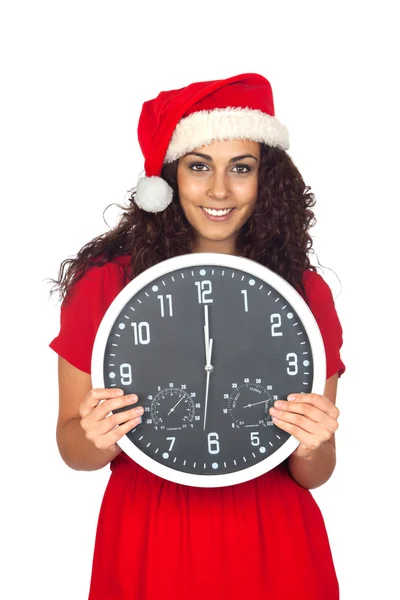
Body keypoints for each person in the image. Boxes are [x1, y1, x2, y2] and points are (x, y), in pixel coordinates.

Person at [49, 73, 345, 600]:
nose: (219, 190)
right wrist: (95, 437)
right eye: (199, 166)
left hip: (271, 535)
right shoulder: (107, 285)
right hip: (149, 529)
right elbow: (73, 447)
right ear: (169, 179)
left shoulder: (304, 293)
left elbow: (314, 473)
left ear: (265, 179)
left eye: (241, 168)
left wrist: (314, 441)